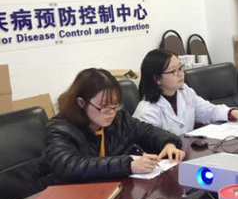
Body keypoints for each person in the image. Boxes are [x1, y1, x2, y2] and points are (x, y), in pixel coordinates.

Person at [41, 68, 185, 185]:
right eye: (104, 107)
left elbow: (146, 131)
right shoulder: (59, 128)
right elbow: (69, 166)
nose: (111, 113)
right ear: (81, 103)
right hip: (70, 197)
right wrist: (128, 165)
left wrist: (168, 144)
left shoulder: (119, 119)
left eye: (115, 106)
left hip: (110, 190)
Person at [134, 49, 238, 135]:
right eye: (174, 71)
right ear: (157, 79)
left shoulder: (184, 91)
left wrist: (230, 113)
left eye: (180, 68)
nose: (180, 74)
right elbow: (152, 143)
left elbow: (206, 110)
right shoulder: (147, 111)